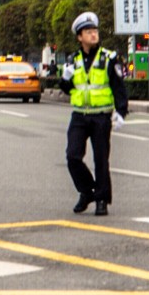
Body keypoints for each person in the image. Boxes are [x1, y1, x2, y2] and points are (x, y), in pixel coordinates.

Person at [59, 11, 127, 215]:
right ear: (80, 37)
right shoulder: (73, 59)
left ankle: (101, 200)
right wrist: (65, 77)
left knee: (101, 160)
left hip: (101, 116)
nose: (93, 35)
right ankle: (87, 191)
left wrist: (121, 111)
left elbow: (118, 86)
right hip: (79, 115)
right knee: (72, 156)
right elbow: (66, 88)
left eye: (95, 31)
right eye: (88, 32)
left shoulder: (109, 58)